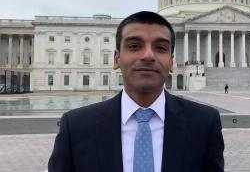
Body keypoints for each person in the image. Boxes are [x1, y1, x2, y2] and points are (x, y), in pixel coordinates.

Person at [48, 11, 224, 172]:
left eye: (160, 48)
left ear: (172, 62)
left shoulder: (205, 124)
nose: (148, 55)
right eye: (134, 46)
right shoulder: (76, 126)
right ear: (116, 58)